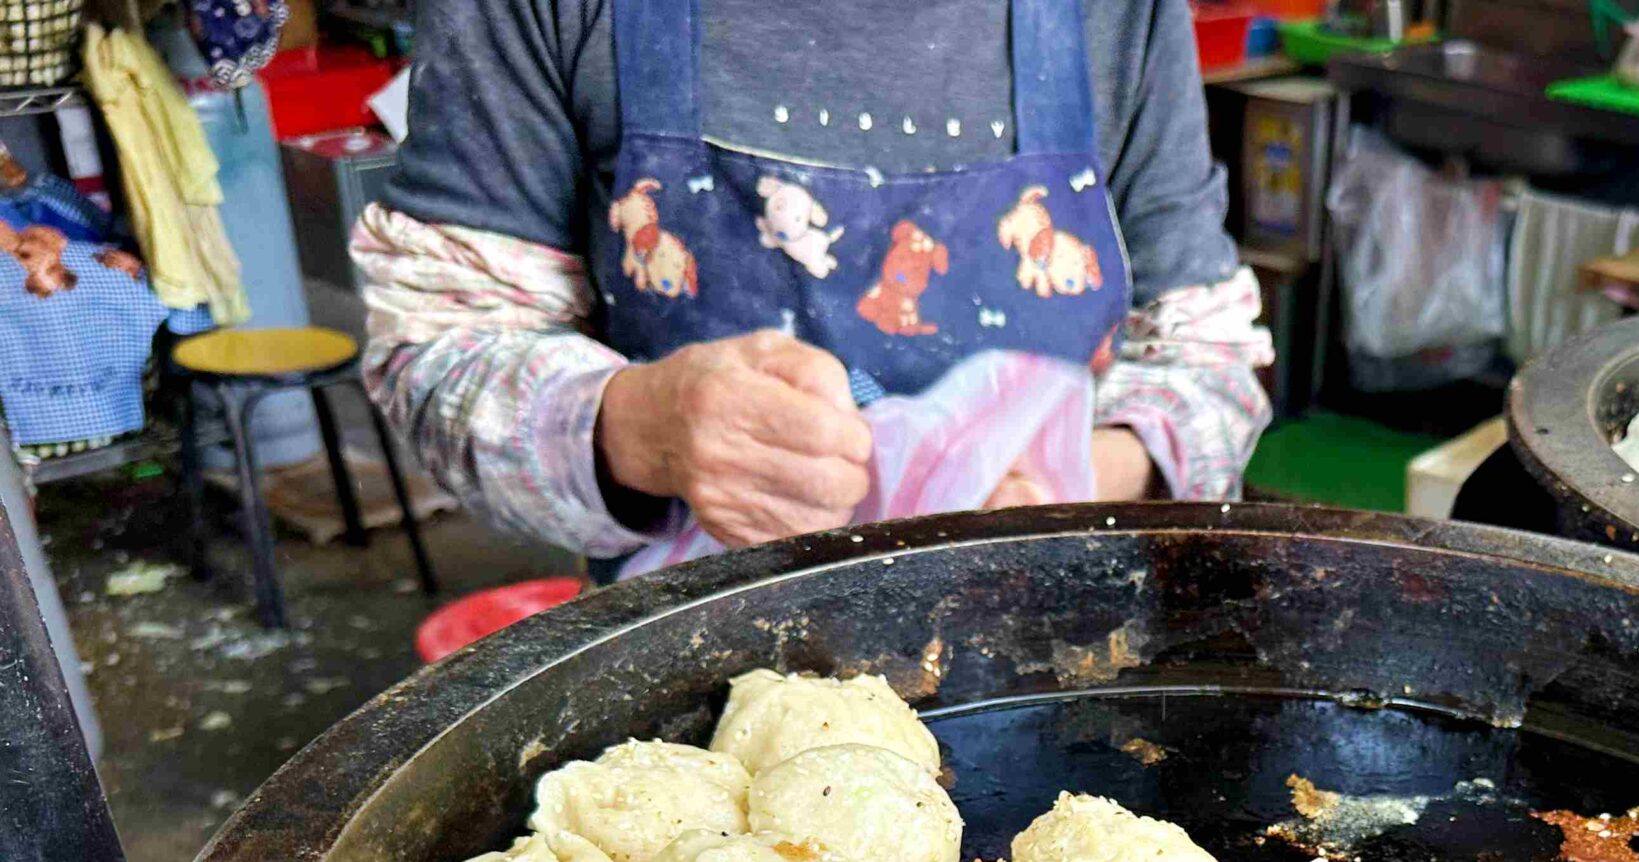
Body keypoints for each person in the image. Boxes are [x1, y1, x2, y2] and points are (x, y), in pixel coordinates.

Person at [356, 0, 1273, 573]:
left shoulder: (1116, 15)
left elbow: (1205, 355)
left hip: (1054, 663)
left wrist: (1073, 481)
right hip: (704, 698)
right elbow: (439, 345)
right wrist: (645, 427)